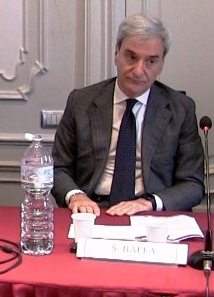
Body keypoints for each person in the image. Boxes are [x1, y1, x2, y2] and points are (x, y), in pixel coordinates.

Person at [52, 14, 205, 215]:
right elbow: (58, 168)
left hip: (151, 213)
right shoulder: (80, 102)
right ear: (116, 53)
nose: (139, 71)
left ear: (162, 64)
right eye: (131, 57)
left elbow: (193, 184)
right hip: (92, 209)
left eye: (151, 61)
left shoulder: (181, 109)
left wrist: (151, 203)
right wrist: (76, 196)